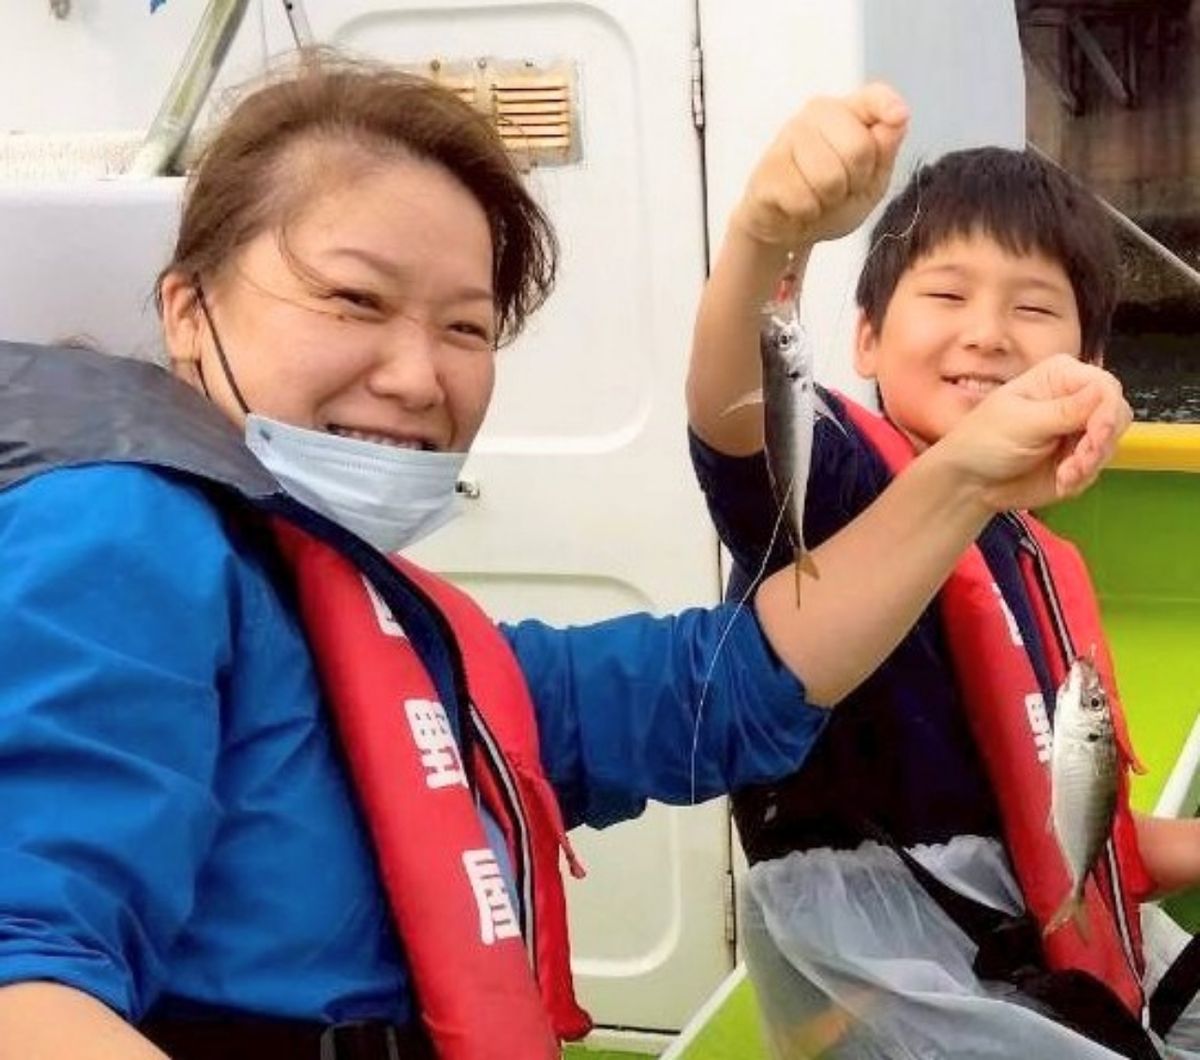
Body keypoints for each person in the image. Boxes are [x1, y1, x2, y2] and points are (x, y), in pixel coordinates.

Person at [0, 55, 1128, 1060]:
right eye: (353, 299)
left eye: (465, 326)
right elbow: (26, 983)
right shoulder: (120, 533)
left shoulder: (349, 603)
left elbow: (722, 688)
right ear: (185, 309)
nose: (416, 376)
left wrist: (966, 475)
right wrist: (764, 242)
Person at [687, 82, 1200, 1059]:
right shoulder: (838, 482)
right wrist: (765, 238)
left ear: (1089, 360)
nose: (988, 332)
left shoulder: (1031, 553)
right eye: (947, 294)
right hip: (884, 975)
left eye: (1033, 307)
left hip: (1036, 939)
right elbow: (731, 411)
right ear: (866, 337)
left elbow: (1085, 842)